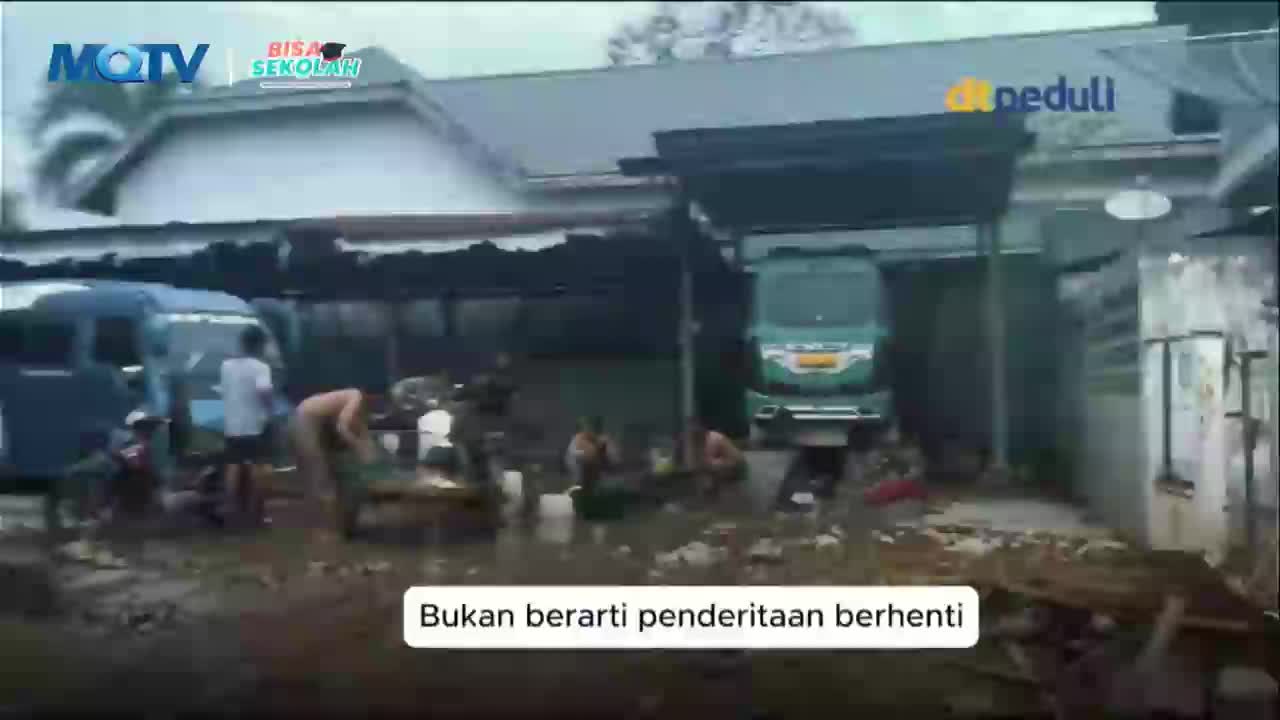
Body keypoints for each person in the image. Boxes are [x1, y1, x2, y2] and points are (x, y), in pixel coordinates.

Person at [286, 388, 376, 522]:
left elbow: (363, 437)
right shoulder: (355, 396)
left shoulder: (355, 409)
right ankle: (326, 525)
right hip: (303, 421)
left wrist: (369, 453)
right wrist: (358, 445)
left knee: (335, 467)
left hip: (318, 424)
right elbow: (342, 427)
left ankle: (342, 517)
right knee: (318, 471)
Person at [219, 325, 274, 520]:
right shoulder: (261, 367)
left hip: (232, 425)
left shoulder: (226, 366)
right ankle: (256, 510)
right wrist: (270, 410)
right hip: (253, 425)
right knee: (256, 466)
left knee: (233, 465)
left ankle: (228, 507)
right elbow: (264, 392)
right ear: (259, 345)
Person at [687, 418, 746, 496]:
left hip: (734, 468)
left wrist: (714, 464)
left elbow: (738, 461)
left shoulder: (716, 439)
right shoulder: (691, 442)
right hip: (715, 471)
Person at [565, 416, 620, 495]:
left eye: (591, 427)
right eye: (586, 427)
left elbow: (615, 460)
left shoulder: (605, 440)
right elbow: (571, 459)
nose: (589, 430)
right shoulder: (577, 440)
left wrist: (602, 454)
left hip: (602, 483)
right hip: (582, 483)